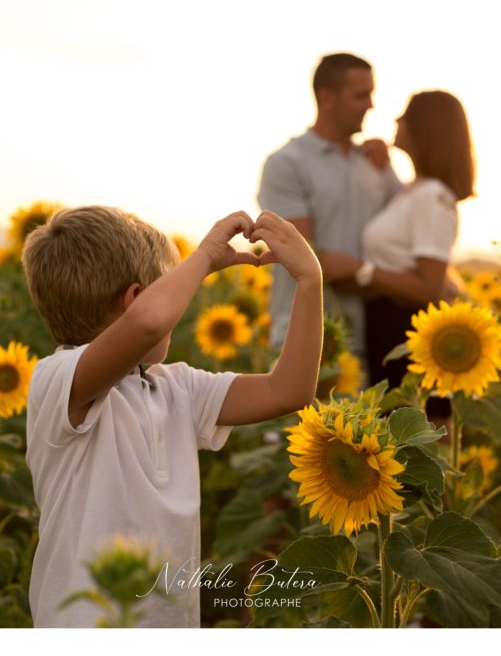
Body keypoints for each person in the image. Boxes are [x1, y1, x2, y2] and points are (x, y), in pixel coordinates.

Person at [21, 206, 322, 627]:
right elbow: (149, 321)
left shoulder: (175, 389)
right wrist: (205, 258)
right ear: (135, 297)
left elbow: (287, 391)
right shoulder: (58, 382)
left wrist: (309, 282)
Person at [317, 90, 475, 390]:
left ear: (426, 128)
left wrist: (359, 270)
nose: (397, 119)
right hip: (389, 329)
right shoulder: (414, 190)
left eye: (406, 115)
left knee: (419, 429)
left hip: (408, 334)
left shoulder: (434, 197)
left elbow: (429, 287)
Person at [258, 52, 403, 362]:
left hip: (369, 340)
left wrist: (365, 273)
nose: (371, 105)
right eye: (361, 95)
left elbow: (408, 236)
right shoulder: (286, 164)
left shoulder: (376, 164)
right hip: (301, 342)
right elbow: (303, 256)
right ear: (327, 97)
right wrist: (387, 279)